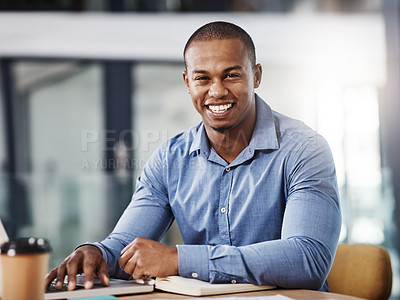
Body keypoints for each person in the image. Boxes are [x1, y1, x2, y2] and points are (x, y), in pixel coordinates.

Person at [45, 21, 341, 292]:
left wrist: (179, 259)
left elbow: (307, 259)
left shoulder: (304, 149)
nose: (217, 90)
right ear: (188, 83)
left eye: (231, 75)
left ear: (256, 76)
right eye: (203, 78)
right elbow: (125, 247)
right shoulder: (170, 159)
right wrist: (96, 253)